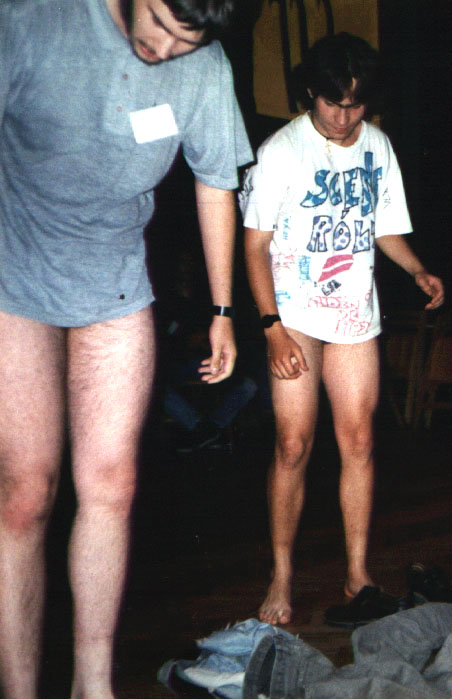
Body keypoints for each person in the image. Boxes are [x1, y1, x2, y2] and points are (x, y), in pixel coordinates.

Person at [0, 0, 251, 695]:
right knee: (25, 493)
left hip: (112, 274)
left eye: (186, 41)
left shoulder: (206, 68)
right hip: (13, 267)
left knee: (112, 483)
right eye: (161, 25)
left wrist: (223, 310)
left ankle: (94, 685)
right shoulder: (32, 19)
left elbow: (215, 184)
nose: (165, 50)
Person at [241, 33, 444, 627]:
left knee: (358, 442)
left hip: (354, 311)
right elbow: (254, 246)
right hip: (293, 314)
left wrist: (416, 269)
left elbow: (384, 226)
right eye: (333, 103)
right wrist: (271, 327)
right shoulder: (281, 151)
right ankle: (281, 574)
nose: (343, 117)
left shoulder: (378, 146)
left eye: (355, 105)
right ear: (311, 92)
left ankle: (357, 573)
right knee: (293, 445)